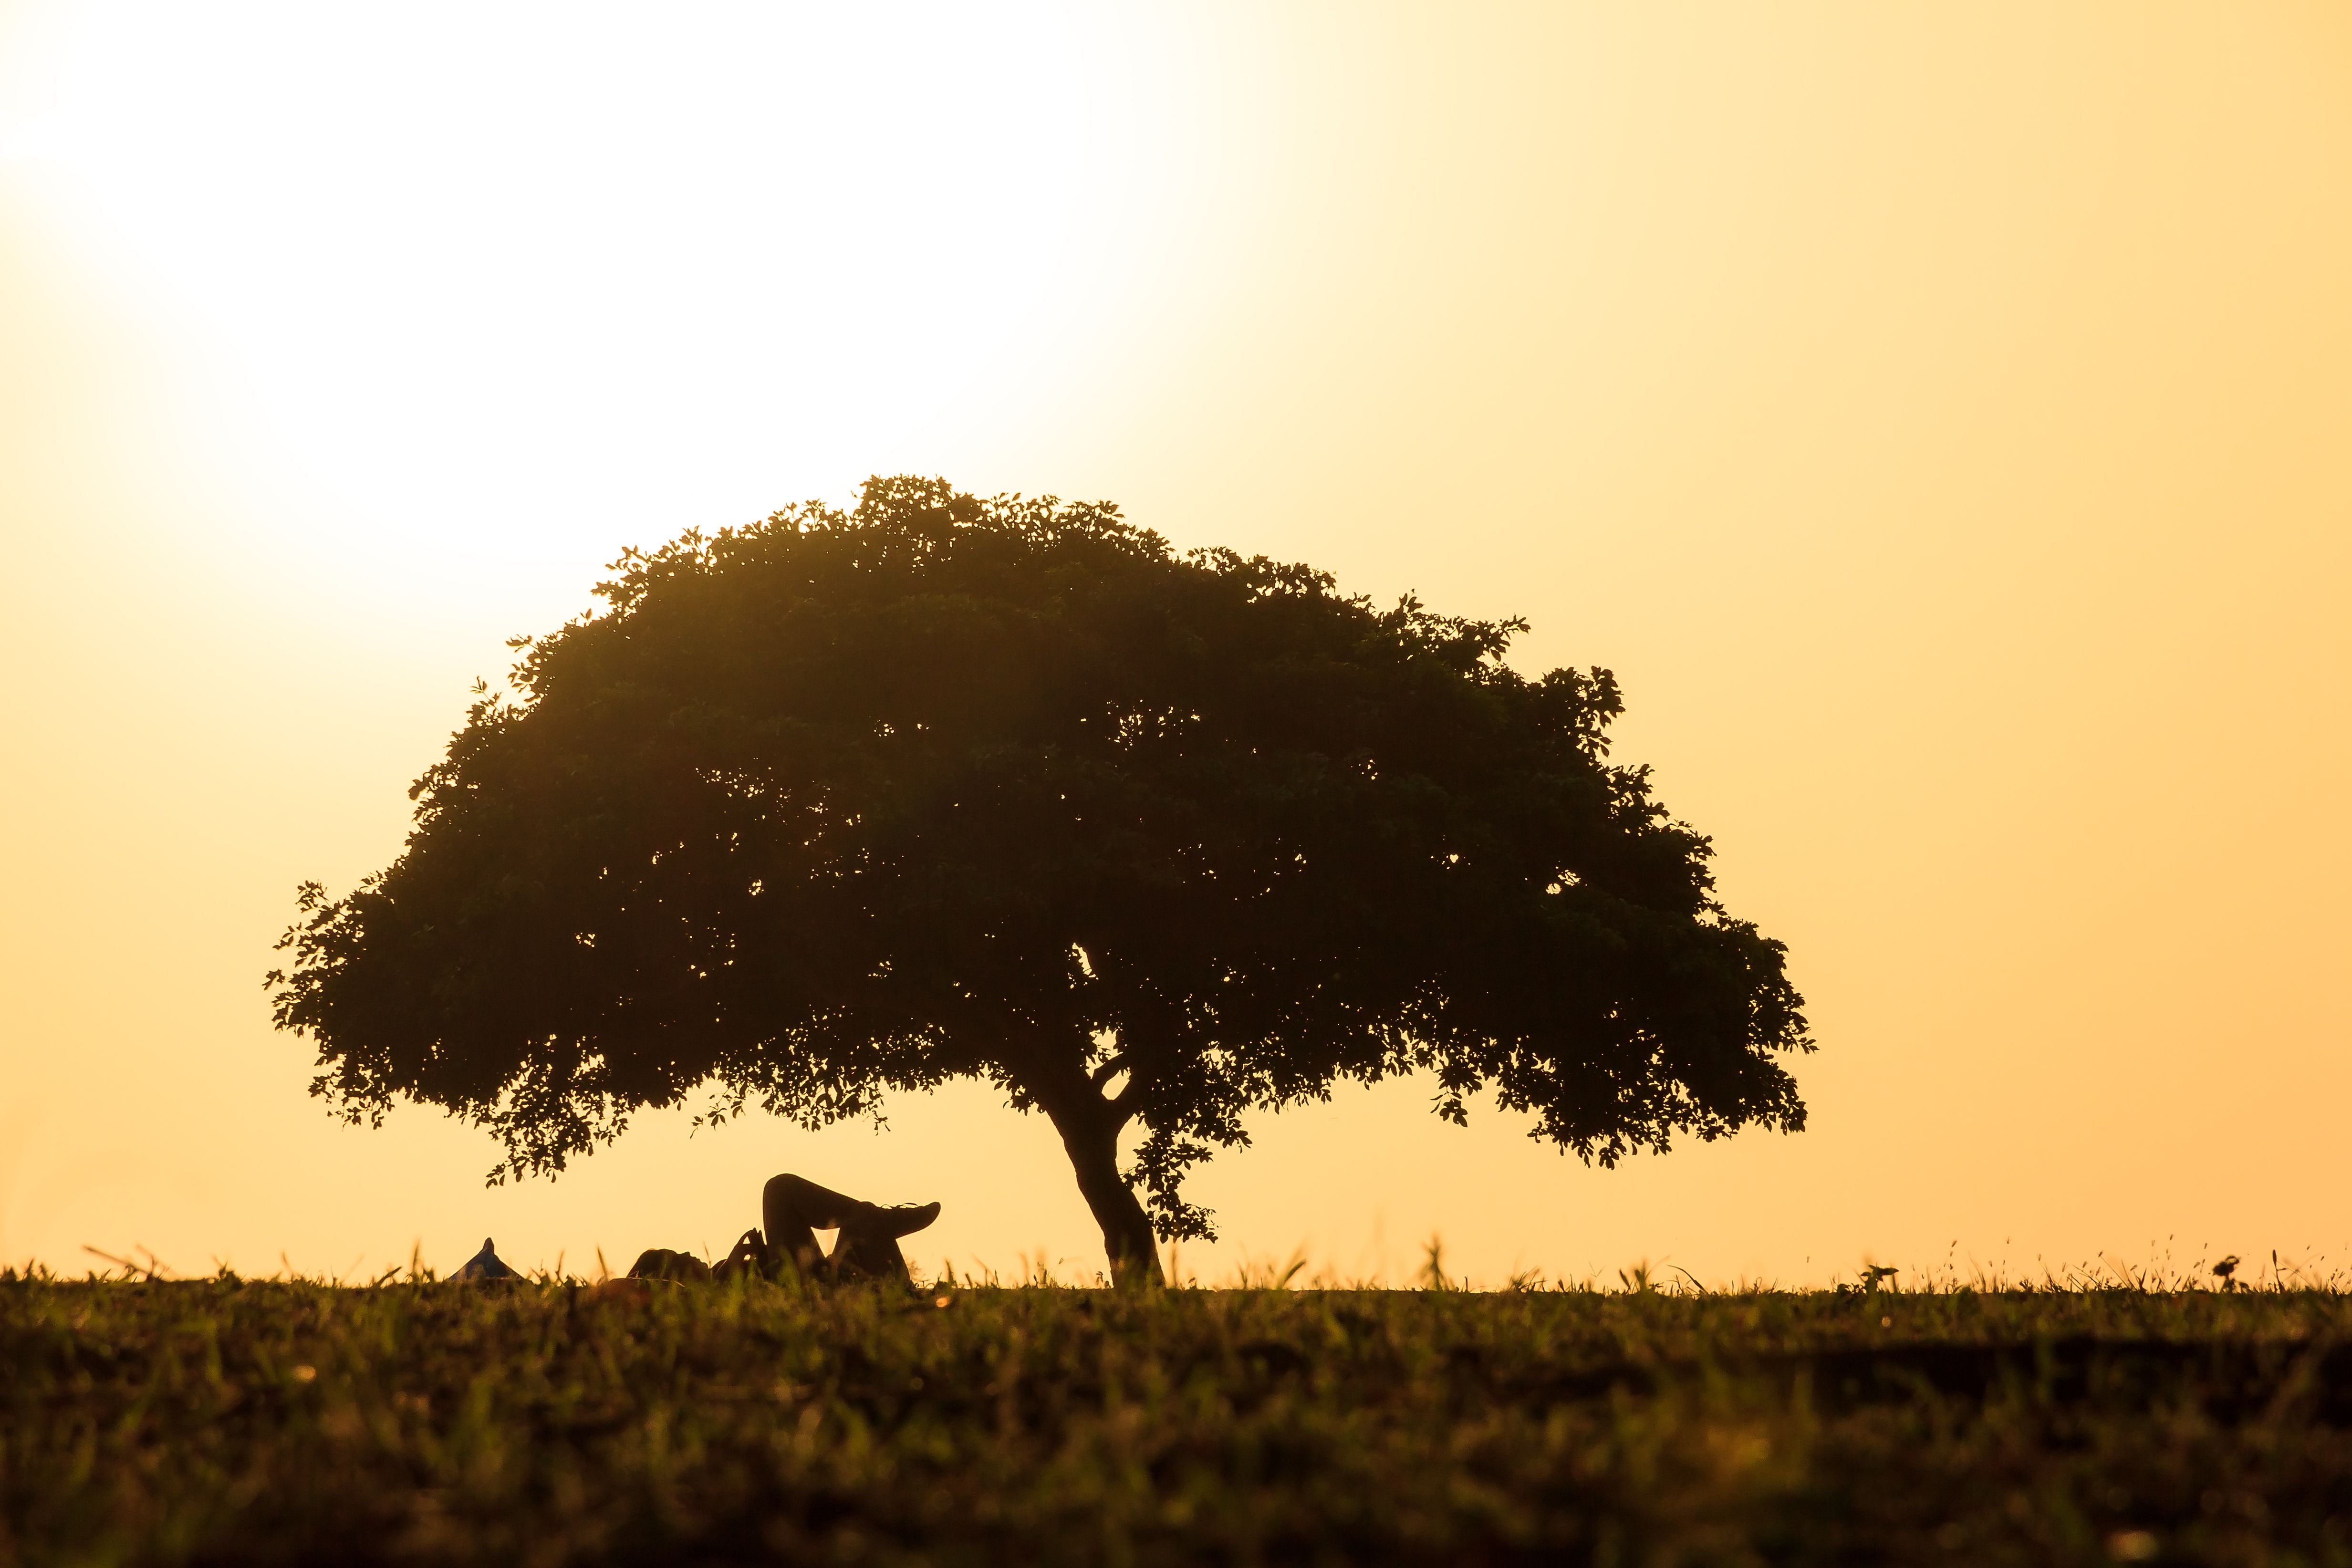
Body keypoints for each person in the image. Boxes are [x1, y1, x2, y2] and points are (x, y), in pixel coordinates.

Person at [761, 1173, 940, 1286]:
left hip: (811, 1282)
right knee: (865, 1214)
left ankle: (879, 1219)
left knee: (780, 1188)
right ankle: (881, 1220)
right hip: (805, 1294)